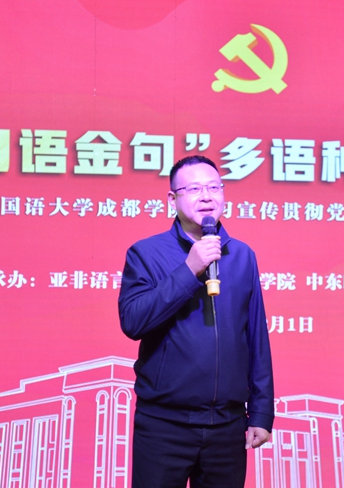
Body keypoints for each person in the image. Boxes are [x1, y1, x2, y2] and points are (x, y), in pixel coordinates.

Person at [118, 155, 274, 488]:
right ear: (172, 199)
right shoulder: (145, 253)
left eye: (214, 188)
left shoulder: (242, 255)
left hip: (228, 426)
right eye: (194, 189)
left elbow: (256, 336)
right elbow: (133, 321)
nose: (206, 197)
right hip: (164, 425)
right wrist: (190, 269)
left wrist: (261, 412)